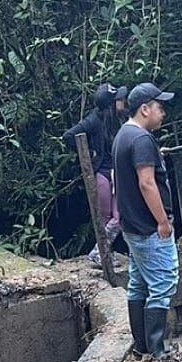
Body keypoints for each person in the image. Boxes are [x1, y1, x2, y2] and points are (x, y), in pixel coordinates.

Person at [112, 82, 179, 358]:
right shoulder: (141, 140)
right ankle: (157, 352)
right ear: (144, 109)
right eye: (159, 108)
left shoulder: (124, 135)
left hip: (132, 227)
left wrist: (155, 154)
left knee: (139, 284)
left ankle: (141, 348)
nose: (162, 113)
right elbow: (147, 184)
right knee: (164, 283)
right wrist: (163, 222)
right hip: (149, 228)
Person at [63, 83, 124, 265]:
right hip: (102, 173)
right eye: (119, 100)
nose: (123, 101)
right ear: (111, 104)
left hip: (117, 173)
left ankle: (100, 251)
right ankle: (102, 253)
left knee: (119, 217)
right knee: (105, 218)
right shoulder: (93, 120)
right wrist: (89, 153)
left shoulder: (119, 119)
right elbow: (68, 136)